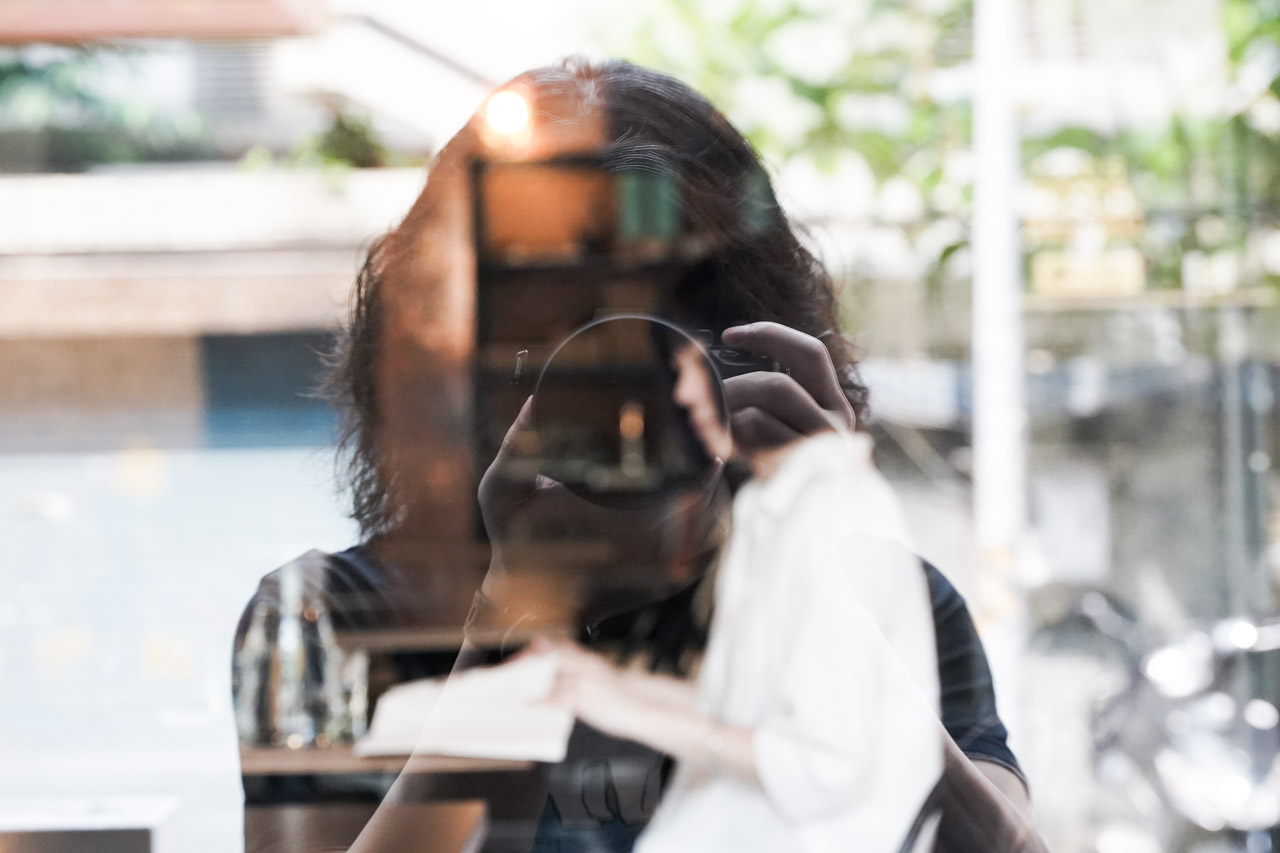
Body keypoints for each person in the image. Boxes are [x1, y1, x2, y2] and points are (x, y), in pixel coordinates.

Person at [233, 58, 1046, 852]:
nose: (610, 394)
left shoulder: (880, 607)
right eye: (553, 352)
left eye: (647, 346)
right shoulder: (330, 619)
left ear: (750, 364)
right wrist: (514, 624)